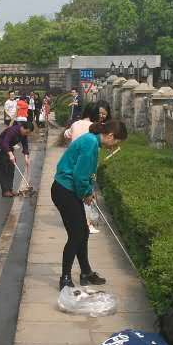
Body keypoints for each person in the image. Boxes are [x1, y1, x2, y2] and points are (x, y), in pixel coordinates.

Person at [51, 118, 127, 288]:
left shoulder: (92, 141)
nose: (115, 146)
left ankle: (86, 272)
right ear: (110, 135)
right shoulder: (90, 143)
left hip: (68, 190)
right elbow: (79, 175)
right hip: (65, 190)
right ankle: (65, 278)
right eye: (117, 141)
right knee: (76, 235)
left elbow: (86, 173)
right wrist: (85, 193)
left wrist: (88, 190)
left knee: (83, 232)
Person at [0, 116, 30, 197]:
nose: (26, 134)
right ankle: (5, 191)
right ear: (23, 128)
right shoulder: (12, 131)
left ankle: (10, 189)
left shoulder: (24, 133)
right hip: (0, 148)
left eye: (28, 133)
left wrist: (26, 157)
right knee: (4, 168)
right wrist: (10, 155)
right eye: (26, 132)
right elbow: (5, 143)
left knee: (11, 167)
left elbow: (25, 145)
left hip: (9, 148)